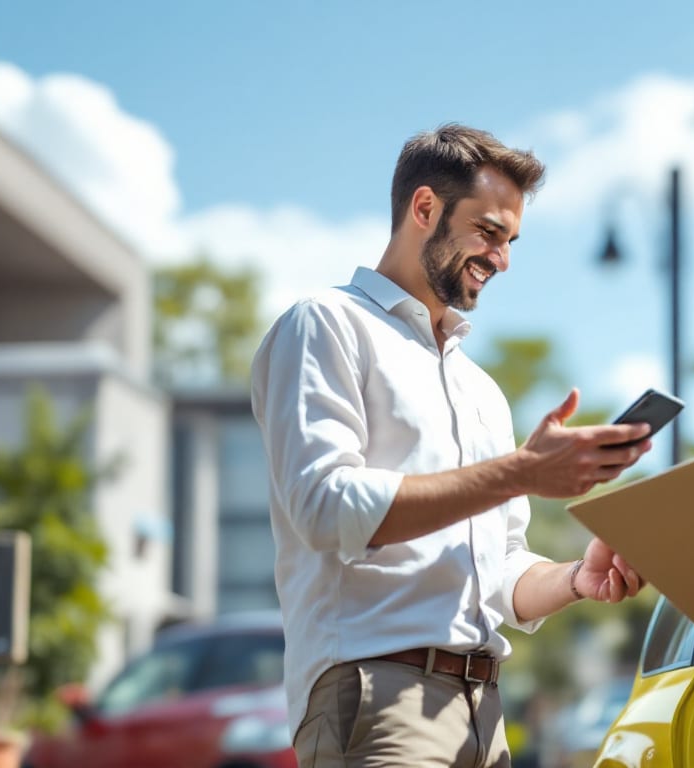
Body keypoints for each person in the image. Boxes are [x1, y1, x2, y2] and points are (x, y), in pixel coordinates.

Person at [251, 124, 651, 768]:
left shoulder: (480, 389)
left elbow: (499, 574)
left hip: (483, 713)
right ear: (425, 208)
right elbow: (327, 508)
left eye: (511, 240)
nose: (503, 259)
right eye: (489, 232)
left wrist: (578, 577)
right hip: (377, 698)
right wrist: (522, 470)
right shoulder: (325, 324)